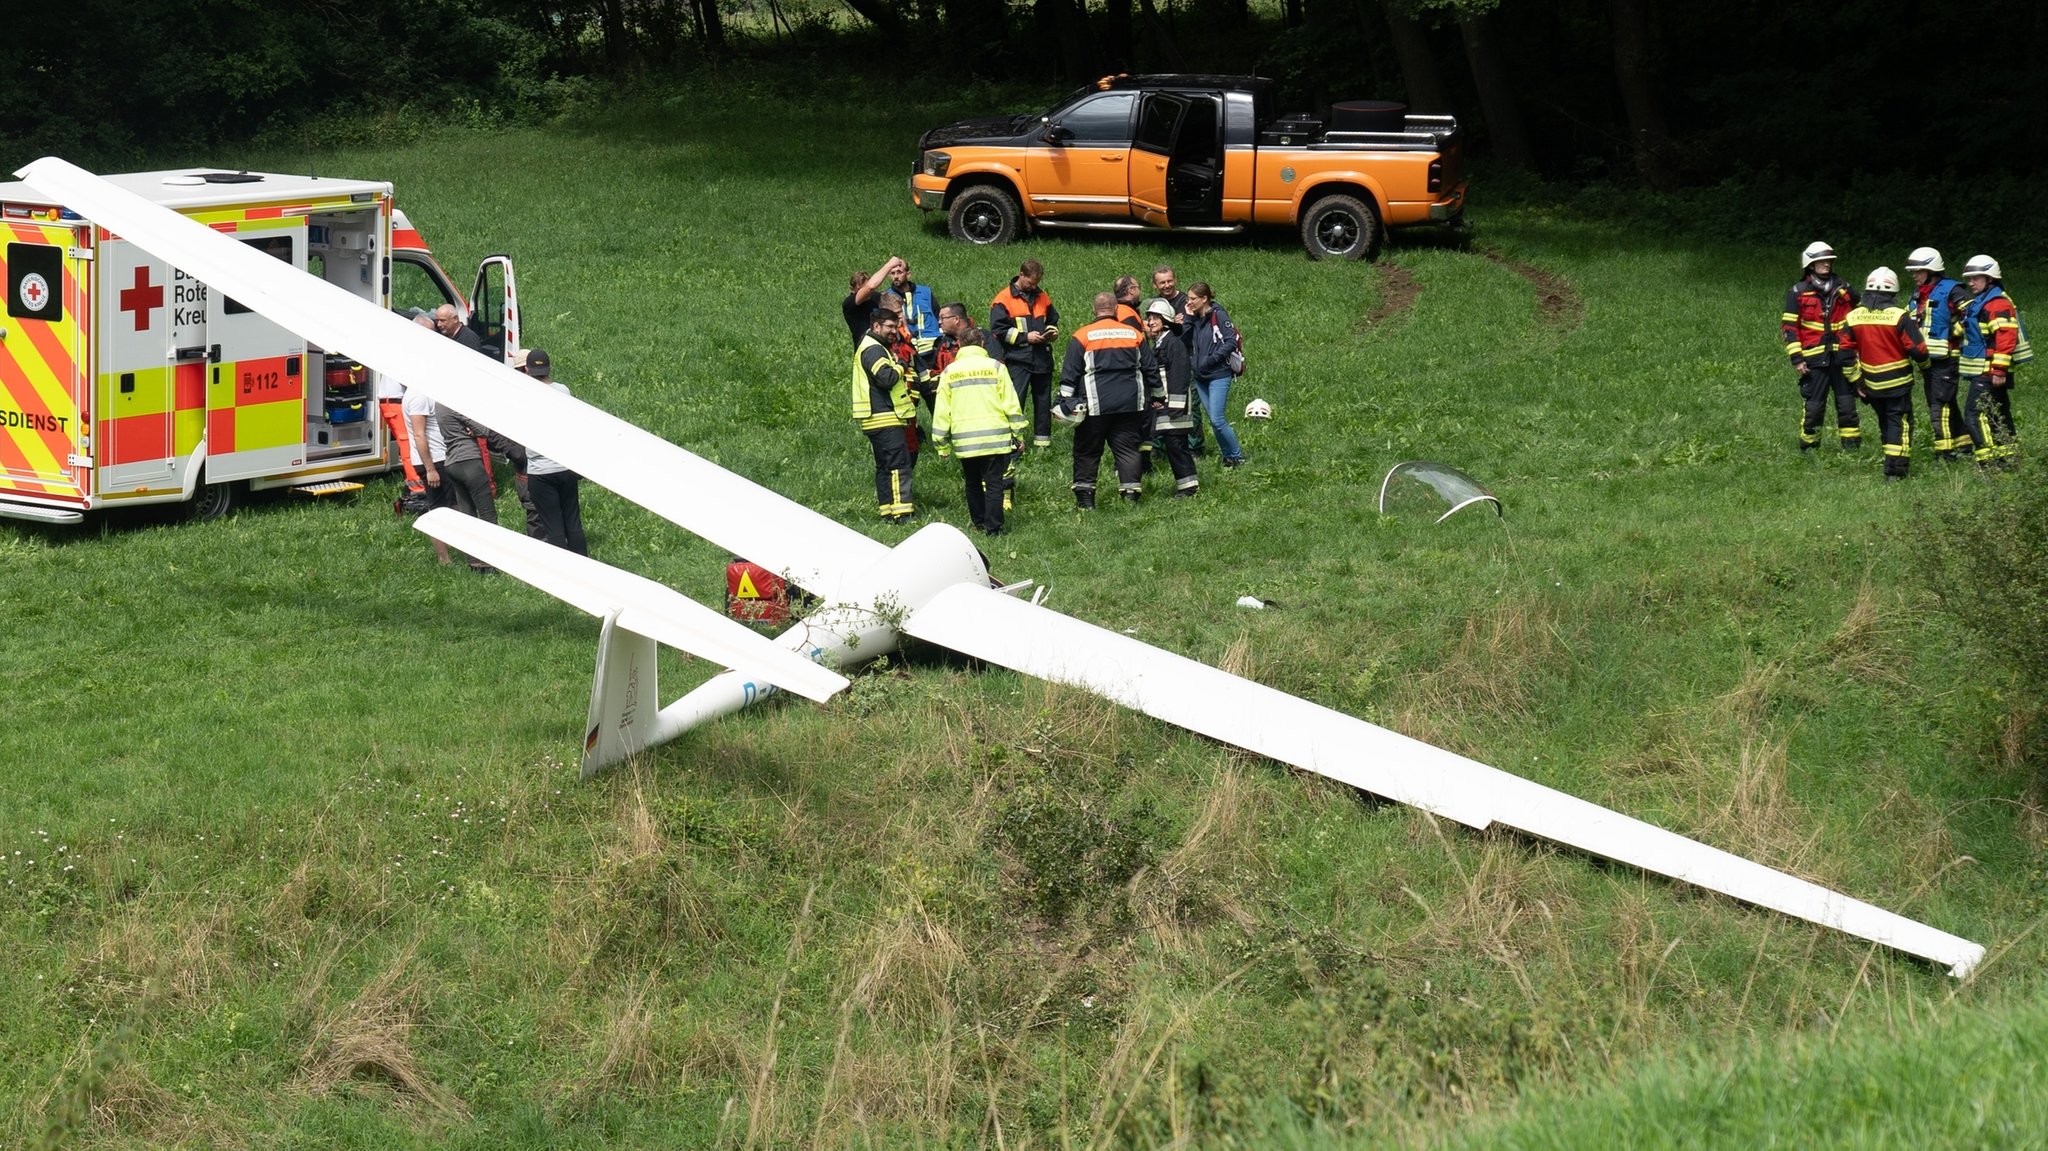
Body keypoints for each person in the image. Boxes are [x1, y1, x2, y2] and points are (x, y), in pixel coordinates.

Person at [1057, 292, 1157, 507]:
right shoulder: (1134, 334)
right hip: (1130, 404)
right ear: (1115, 309)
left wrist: (1063, 400)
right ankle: (1130, 497)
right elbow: (1150, 367)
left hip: (1095, 405)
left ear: (1094, 310)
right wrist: (1158, 394)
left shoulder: (1082, 336)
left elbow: (1071, 373)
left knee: (1087, 451)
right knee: (1128, 449)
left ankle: (1086, 501)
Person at [931, 326, 1026, 534]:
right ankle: (994, 528)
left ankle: (979, 522)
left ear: (960, 345)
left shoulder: (949, 372)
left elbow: (942, 410)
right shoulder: (996, 368)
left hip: (966, 442)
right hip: (995, 438)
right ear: (982, 343)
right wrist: (1018, 434)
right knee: (994, 484)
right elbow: (1011, 403)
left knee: (972, 483)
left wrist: (941, 445)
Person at [1844, 267, 1929, 481]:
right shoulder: (1899, 316)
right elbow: (1918, 349)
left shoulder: (1853, 317)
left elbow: (1844, 355)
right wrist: (1926, 366)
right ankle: (1896, 472)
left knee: (1885, 422)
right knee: (1899, 424)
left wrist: (1856, 381)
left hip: (1871, 384)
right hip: (1897, 383)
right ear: (1893, 292)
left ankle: (1890, 461)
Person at [1781, 242, 1861, 451]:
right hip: (1814, 360)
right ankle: (1809, 449)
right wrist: (1797, 358)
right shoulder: (1798, 292)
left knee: (1847, 407)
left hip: (1842, 358)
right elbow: (1789, 327)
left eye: (1828, 261)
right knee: (1814, 408)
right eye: (1821, 261)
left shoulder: (1842, 287)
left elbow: (1858, 313)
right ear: (1810, 264)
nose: (1826, 264)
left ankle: (1851, 449)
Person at [1956, 254, 2029, 467]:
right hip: (1987, 370)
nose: (1971, 283)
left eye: (1976, 278)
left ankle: (1988, 464)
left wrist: (1999, 369)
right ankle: (2008, 460)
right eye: (1969, 279)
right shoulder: (1983, 302)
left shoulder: (1996, 304)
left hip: (1989, 371)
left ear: (1990, 279)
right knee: (1999, 414)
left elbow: (2006, 337)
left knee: (1974, 414)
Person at [852, 308, 919, 522]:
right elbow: (886, 378)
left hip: (875, 417)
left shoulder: (874, 346)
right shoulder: (874, 349)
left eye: (896, 326)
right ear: (876, 326)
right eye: (889, 326)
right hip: (885, 416)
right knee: (899, 465)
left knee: (884, 467)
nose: (894, 331)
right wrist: (900, 366)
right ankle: (903, 513)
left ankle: (888, 512)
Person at [520, 349, 587, 554]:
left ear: (526, 369)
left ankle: (564, 569)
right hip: (565, 465)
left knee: (553, 525)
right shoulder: (563, 390)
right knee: (573, 521)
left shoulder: (522, 393)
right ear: (549, 367)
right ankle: (584, 563)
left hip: (540, 471)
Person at [1906, 248, 1970, 460]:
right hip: (1928, 360)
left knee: (1938, 404)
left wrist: (1954, 332)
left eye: (1918, 271)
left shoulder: (1953, 290)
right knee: (1947, 401)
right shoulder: (1918, 294)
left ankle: (1944, 452)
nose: (1914, 275)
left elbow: (1973, 313)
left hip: (1947, 359)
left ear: (1932, 270)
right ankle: (1964, 443)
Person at [989, 258, 1060, 449]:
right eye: (1030, 283)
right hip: (1018, 359)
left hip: (1042, 358)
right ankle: (1013, 442)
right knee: (1015, 402)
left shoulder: (1042, 296)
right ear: (1021, 275)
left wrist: (1051, 332)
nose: (1033, 286)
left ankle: (1042, 444)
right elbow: (998, 330)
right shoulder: (1003, 299)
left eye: (1036, 283)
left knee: (1043, 403)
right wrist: (1025, 338)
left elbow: (1053, 318)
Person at [402, 315, 455, 564]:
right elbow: (420, 433)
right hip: (434, 460)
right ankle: (444, 559)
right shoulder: (419, 396)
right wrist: (431, 469)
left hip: (438, 457)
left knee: (450, 507)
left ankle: (451, 553)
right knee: (440, 509)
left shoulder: (422, 391)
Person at [1143, 298, 1200, 497]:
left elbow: (1179, 375)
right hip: (1166, 405)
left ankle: (1189, 488)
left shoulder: (1173, 344)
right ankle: (1186, 487)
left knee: (1177, 446)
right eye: (1149, 318)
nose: (1150, 322)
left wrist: (1176, 407)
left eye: (1154, 318)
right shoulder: (1161, 343)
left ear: (1165, 320)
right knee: (1173, 446)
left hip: (1175, 406)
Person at [1186, 282, 1247, 467]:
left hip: (1218, 374)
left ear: (1204, 299)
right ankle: (1228, 456)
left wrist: (1211, 359)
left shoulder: (1219, 315)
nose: (1189, 302)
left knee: (1217, 419)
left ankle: (1237, 456)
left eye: (1193, 299)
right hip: (1200, 377)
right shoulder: (1194, 318)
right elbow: (1183, 340)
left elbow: (1230, 342)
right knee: (1214, 421)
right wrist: (1188, 319)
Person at [1152, 264, 1201, 453]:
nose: (1166, 285)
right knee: (1159, 404)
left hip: (1185, 360)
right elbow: (1148, 330)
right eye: (1162, 282)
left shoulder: (1185, 302)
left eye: (1169, 281)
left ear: (1176, 280)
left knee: (1189, 405)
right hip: (1160, 363)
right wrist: (1173, 325)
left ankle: (1194, 446)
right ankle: (1159, 447)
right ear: (1155, 285)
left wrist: (1177, 325)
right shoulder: (1153, 304)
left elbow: (1190, 330)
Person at [890, 260, 941, 367]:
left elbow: (938, 316)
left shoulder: (925, 292)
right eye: (892, 273)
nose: (895, 276)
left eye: (899, 272)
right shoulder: (887, 297)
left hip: (932, 348)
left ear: (908, 274)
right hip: (906, 350)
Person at [844, 258, 904, 344]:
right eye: (861, 290)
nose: (866, 294)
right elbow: (870, 286)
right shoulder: (849, 304)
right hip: (866, 347)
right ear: (852, 290)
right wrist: (889, 265)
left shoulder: (875, 296)